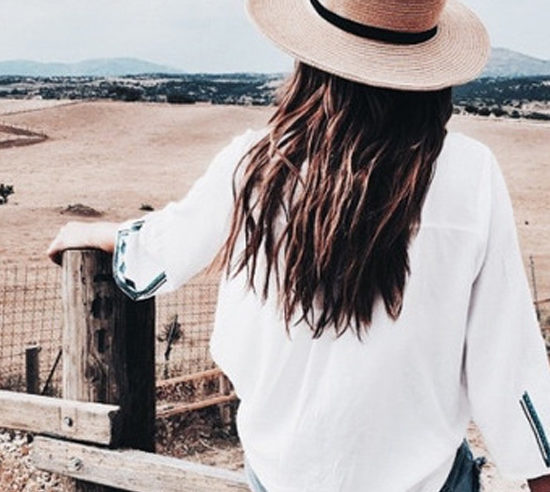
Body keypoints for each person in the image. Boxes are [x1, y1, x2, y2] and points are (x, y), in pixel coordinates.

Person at [48, 0, 550, 490]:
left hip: (281, 476)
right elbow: (507, 357)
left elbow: (167, 247)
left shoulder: (255, 163)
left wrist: (98, 235)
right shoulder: (469, 173)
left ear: (312, 60)